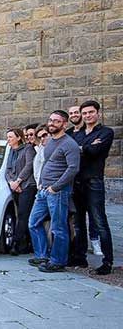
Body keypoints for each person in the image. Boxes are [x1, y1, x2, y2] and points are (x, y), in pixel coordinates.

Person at [27, 110, 80, 272]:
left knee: (58, 227)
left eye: (56, 121)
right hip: (43, 191)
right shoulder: (50, 142)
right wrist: (42, 184)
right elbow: (46, 164)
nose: (52, 123)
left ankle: (58, 261)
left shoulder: (69, 144)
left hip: (58, 192)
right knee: (33, 223)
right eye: (50, 120)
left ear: (64, 124)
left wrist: (55, 187)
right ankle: (42, 255)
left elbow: (73, 168)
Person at [70, 100, 115, 275]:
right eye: (85, 113)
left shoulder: (105, 132)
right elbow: (74, 150)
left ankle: (107, 261)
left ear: (97, 113)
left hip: (94, 182)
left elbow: (95, 152)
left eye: (91, 112)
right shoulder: (78, 133)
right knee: (79, 223)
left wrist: (83, 148)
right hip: (77, 182)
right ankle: (80, 257)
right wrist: (86, 147)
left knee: (99, 222)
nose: (87, 115)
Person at [5, 128, 37, 255]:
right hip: (15, 187)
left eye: (11, 137)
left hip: (27, 186)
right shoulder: (11, 151)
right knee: (21, 215)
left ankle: (15, 244)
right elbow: (8, 170)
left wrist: (18, 181)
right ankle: (27, 244)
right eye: (7, 137)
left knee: (24, 215)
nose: (8, 139)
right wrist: (11, 182)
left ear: (18, 138)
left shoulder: (28, 149)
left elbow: (29, 165)